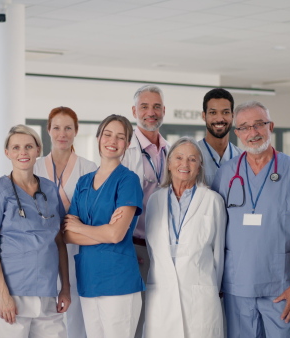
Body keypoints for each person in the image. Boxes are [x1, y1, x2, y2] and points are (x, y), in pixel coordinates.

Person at [211, 101, 290, 338]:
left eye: (259, 125)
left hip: (281, 287)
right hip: (237, 285)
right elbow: (213, 229)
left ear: (270, 126)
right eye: (245, 127)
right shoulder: (227, 172)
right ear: (237, 133)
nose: (253, 133)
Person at [0, 125, 70, 338]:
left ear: (38, 150)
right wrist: (3, 295)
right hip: (11, 292)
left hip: (47, 292)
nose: (23, 152)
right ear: (7, 153)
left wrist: (65, 287)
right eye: (16, 147)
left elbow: (59, 242)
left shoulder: (49, 189)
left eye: (29, 146)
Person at [64, 114, 144, 338]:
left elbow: (117, 234)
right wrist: (104, 232)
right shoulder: (83, 181)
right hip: (89, 278)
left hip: (118, 281)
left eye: (120, 137)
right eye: (107, 134)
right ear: (98, 137)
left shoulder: (128, 180)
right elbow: (67, 234)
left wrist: (81, 227)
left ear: (127, 144)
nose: (112, 141)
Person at [143, 137, 226, 337]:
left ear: (199, 167)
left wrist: (213, 285)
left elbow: (219, 253)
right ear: (169, 164)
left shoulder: (213, 200)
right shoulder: (155, 200)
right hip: (161, 291)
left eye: (192, 159)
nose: (185, 164)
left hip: (200, 293)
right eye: (179, 158)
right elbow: (152, 249)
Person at [34, 107, 97, 338]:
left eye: (68, 128)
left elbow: (92, 214)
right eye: (57, 127)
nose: (62, 133)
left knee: (77, 315)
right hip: (44, 249)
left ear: (76, 131)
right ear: (48, 130)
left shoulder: (89, 169)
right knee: (46, 316)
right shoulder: (35, 167)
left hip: (78, 248)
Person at [121, 84, 169, 338]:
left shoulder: (171, 151)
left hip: (166, 248)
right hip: (135, 245)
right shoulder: (124, 151)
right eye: (144, 107)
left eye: (157, 107)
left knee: (161, 316)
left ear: (164, 111)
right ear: (134, 111)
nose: (151, 112)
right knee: (135, 319)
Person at [197, 88, 243, 186]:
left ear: (232, 115)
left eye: (225, 112)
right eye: (213, 112)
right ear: (204, 116)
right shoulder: (192, 155)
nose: (219, 118)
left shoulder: (243, 158)